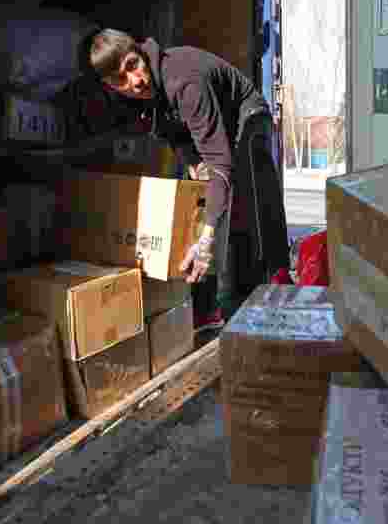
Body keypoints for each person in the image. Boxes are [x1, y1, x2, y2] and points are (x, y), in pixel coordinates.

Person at [85, 29, 289, 331]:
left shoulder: (183, 80)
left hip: (246, 115)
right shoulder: (139, 101)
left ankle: (270, 281)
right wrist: (194, 162)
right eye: (120, 80)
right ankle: (206, 303)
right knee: (202, 200)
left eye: (132, 65)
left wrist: (206, 241)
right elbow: (176, 136)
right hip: (211, 132)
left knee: (242, 198)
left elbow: (221, 164)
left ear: (140, 52)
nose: (134, 81)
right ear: (110, 86)